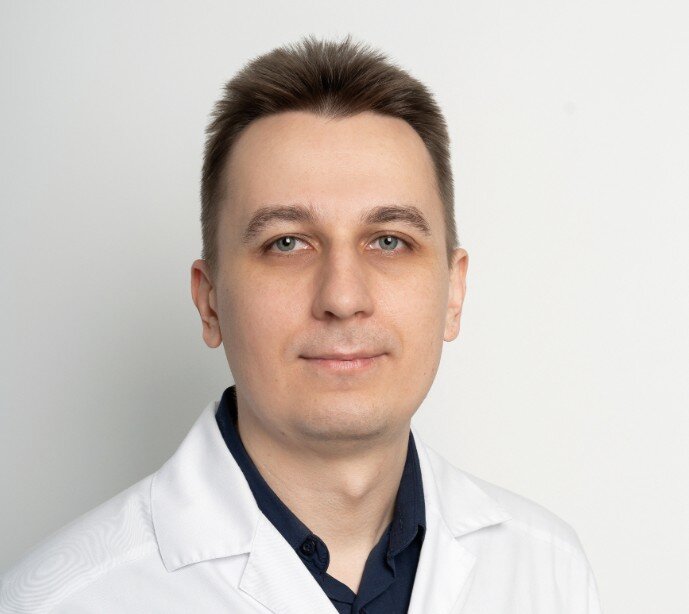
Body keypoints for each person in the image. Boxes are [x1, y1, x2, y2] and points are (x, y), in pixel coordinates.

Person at [0, 35, 602, 614]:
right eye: (286, 242)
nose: (342, 297)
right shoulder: (62, 602)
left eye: (389, 240)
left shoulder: (547, 571)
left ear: (454, 292)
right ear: (210, 302)